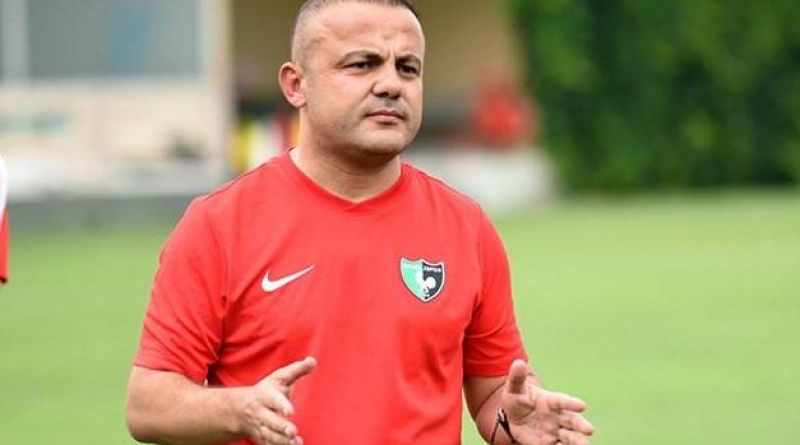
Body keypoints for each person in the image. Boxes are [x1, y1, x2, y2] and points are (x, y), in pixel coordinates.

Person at [125, 1, 594, 444]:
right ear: (296, 84)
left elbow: (493, 393)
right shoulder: (220, 225)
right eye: (362, 64)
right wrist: (239, 410)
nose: (391, 84)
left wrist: (515, 422)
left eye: (407, 68)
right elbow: (148, 405)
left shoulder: (465, 227)